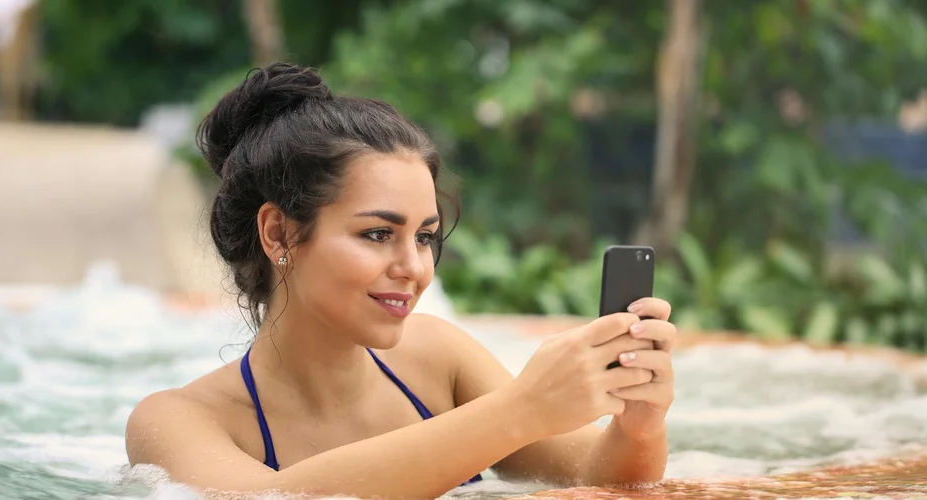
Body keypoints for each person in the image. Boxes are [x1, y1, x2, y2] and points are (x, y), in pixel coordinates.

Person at [125, 63, 678, 499]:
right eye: (376, 235)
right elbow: (270, 499)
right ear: (278, 234)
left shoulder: (441, 361)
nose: (414, 268)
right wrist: (523, 409)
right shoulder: (175, 422)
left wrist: (638, 426)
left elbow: (606, 481)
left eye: (424, 237)